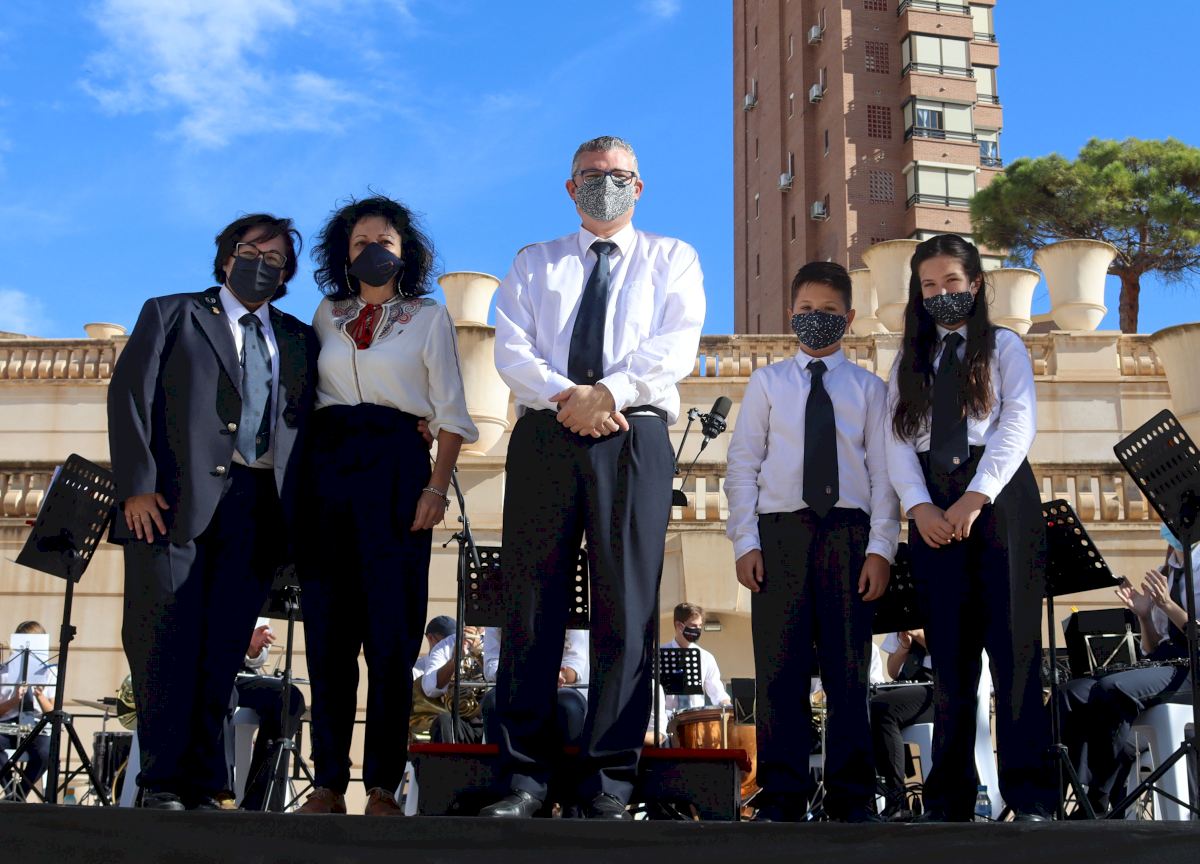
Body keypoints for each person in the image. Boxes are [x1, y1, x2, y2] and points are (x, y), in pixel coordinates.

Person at [483, 135, 705, 820]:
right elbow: (512, 346)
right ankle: (524, 779)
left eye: (618, 175)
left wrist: (607, 392)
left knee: (628, 607)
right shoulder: (534, 261)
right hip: (545, 432)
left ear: (639, 186)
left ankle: (610, 780)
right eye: (590, 175)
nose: (604, 185)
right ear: (570, 186)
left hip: (633, 430)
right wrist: (570, 398)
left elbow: (676, 344)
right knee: (529, 605)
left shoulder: (674, 257)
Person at [108, 214, 318, 811]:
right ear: (226, 257)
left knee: (222, 649)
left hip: (257, 509)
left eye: (275, 258)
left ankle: (202, 784)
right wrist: (137, 487)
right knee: (163, 641)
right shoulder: (171, 313)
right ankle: (160, 782)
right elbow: (129, 396)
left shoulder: (299, 338)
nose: (261, 263)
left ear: (286, 273)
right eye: (251, 251)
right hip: (169, 506)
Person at [295, 196, 477, 817]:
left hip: (398, 470)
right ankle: (326, 783)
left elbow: (450, 412)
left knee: (391, 636)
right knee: (328, 636)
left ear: (405, 252)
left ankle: (381, 785)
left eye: (385, 241)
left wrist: (436, 487)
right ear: (343, 255)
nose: (372, 250)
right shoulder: (326, 313)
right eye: (359, 242)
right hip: (327, 471)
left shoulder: (429, 316)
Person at [885, 233, 1054, 821]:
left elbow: (1018, 421)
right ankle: (950, 800)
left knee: (1015, 652)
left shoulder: (1003, 345)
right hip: (931, 506)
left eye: (952, 282)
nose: (941, 294)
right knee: (951, 662)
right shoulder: (908, 359)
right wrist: (919, 507)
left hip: (999, 500)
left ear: (976, 284)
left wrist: (976, 497)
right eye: (929, 285)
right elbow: (896, 440)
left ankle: (1030, 797)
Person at [725, 261, 898, 823]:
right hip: (780, 535)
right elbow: (743, 464)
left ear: (848, 318)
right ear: (790, 314)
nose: (815, 319)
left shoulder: (871, 390)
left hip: (849, 535)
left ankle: (853, 798)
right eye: (805, 310)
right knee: (780, 672)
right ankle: (782, 796)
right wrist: (745, 541)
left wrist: (881, 548)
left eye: (828, 311)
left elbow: (884, 474)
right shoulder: (767, 383)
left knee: (850, 672)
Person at [1063, 525, 1199, 816]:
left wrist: (1168, 605)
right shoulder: (1165, 571)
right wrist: (1144, 616)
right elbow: (1151, 648)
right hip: (1166, 662)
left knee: (1113, 689)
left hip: (1192, 669)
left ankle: (1099, 801)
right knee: (1070, 693)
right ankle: (1053, 801)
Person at [234, 618, 306, 812]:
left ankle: (263, 801)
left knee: (289, 697)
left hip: (242, 675)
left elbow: (257, 657)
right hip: (206, 672)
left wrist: (252, 649)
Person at [480, 628, 590, 748]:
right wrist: (522, 675)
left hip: (558, 688)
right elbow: (491, 665)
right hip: (514, 685)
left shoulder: (570, 616)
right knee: (493, 702)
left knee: (569, 706)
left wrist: (559, 675)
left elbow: (575, 664)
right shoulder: (497, 617)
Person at [872, 630, 935, 820]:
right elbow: (892, 671)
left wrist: (919, 636)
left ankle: (896, 798)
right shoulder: (903, 616)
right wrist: (905, 646)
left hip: (937, 687)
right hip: (907, 683)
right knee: (862, 705)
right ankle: (867, 799)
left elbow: (953, 652)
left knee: (882, 709)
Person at [0, 622, 55, 801]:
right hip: (8, 723)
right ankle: (10, 790)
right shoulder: (4, 672)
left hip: (36, 724)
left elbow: (53, 713)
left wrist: (40, 695)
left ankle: (19, 795)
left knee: (47, 753)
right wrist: (15, 700)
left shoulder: (50, 673)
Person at [661, 603, 730, 714]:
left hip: (695, 719)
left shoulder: (706, 657)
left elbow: (718, 693)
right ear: (679, 625)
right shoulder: (659, 655)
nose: (697, 630)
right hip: (666, 719)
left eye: (699, 626)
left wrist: (728, 706)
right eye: (693, 626)